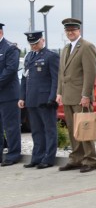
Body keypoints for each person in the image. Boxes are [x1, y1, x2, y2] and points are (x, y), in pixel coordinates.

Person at [56, 18, 96, 173]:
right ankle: (76, 158)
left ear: (79, 30)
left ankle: (90, 159)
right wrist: (59, 92)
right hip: (68, 95)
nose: (70, 33)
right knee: (73, 129)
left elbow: (90, 72)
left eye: (73, 30)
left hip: (81, 97)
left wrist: (86, 95)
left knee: (85, 127)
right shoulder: (66, 48)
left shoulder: (86, 46)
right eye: (68, 30)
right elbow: (62, 73)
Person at [18, 31, 59, 169]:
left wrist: (52, 97)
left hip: (45, 99)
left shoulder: (51, 56)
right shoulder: (29, 56)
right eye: (31, 44)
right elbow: (25, 78)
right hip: (31, 99)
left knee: (49, 129)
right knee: (36, 130)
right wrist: (22, 97)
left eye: (36, 43)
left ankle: (48, 158)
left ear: (43, 40)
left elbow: (55, 78)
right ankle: (37, 157)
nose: (34, 46)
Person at [0, 23, 21, 166]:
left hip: (8, 94)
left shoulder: (10, 48)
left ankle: (13, 155)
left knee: (11, 126)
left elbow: (10, 69)